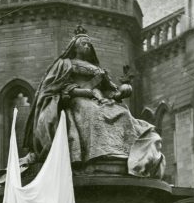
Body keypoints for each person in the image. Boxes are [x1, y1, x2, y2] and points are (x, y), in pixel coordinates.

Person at [23, 27, 165, 178]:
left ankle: (119, 155)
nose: (87, 46)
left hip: (102, 100)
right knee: (92, 112)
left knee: (123, 112)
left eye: (89, 44)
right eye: (83, 44)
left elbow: (110, 91)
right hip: (77, 100)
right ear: (75, 47)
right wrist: (80, 91)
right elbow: (55, 86)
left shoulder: (97, 69)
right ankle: (96, 156)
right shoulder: (65, 63)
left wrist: (122, 92)